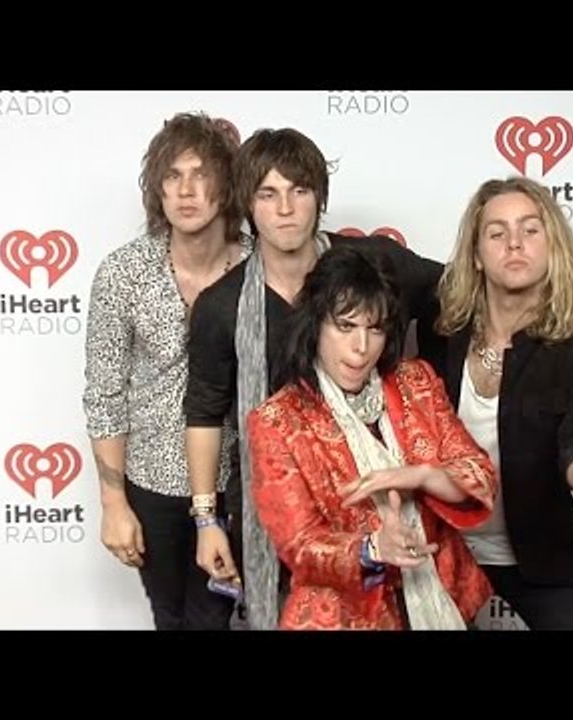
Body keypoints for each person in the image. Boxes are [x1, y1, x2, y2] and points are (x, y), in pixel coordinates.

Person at [184, 127, 443, 629]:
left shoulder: (373, 264)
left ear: (318, 199)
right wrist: (206, 520)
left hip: (378, 496)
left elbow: (455, 295)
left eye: (299, 191)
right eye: (268, 194)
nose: (285, 209)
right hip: (275, 508)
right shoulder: (221, 307)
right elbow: (204, 415)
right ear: (247, 205)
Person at [419, 176, 573, 630]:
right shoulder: (438, 334)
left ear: (552, 246)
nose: (514, 243)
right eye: (497, 233)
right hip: (439, 550)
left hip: (539, 554)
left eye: (531, 230)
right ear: (476, 255)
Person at [246, 245, 496, 630]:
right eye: (345, 326)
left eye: (374, 328)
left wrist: (421, 476)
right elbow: (298, 542)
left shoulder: (417, 382)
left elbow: (480, 474)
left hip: (442, 600)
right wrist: (372, 549)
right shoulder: (278, 420)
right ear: (315, 325)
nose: (361, 348)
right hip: (346, 615)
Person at [83, 112, 252, 630]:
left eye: (201, 175)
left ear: (227, 187)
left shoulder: (260, 267)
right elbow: (104, 393)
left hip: (239, 481)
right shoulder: (122, 272)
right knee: (170, 618)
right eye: (173, 177)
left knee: (212, 619)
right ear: (156, 190)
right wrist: (113, 502)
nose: (186, 191)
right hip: (151, 485)